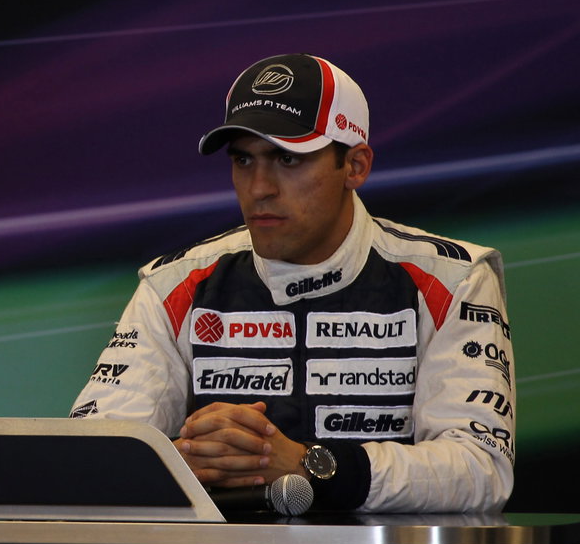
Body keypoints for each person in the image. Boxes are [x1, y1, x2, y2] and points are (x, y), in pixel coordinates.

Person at [70, 53, 513, 513]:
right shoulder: (172, 285)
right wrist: (184, 462)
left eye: (288, 158)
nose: (259, 187)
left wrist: (309, 464)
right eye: (243, 160)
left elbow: (481, 467)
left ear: (355, 166)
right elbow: (96, 455)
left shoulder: (453, 278)